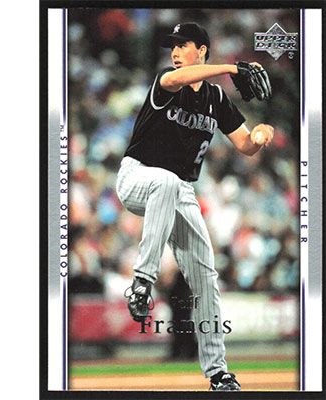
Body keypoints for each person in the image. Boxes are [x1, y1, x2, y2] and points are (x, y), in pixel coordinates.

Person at [116, 22, 274, 391]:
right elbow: (179, 78)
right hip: (138, 178)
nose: (174, 51)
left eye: (183, 44)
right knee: (167, 181)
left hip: (180, 191)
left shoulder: (216, 99)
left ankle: (218, 373)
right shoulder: (167, 81)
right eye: (172, 46)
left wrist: (260, 133)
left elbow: (245, 145)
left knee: (206, 278)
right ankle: (142, 282)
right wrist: (232, 67)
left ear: (201, 50)